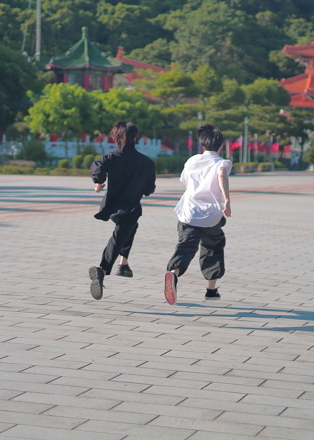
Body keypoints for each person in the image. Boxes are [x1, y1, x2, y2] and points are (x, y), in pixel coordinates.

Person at [164, 124, 232, 305]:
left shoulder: (192, 160)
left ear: (203, 144)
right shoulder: (222, 163)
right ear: (220, 146)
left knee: (186, 246)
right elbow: (222, 174)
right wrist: (227, 201)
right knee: (213, 248)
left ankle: (173, 274)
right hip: (211, 216)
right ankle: (211, 290)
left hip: (189, 212)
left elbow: (184, 181)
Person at [88, 121, 156, 300]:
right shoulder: (146, 163)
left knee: (130, 229)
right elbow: (149, 189)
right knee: (119, 237)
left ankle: (124, 264)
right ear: (135, 137)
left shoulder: (110, 158)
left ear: (116, 137)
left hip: (112, 206)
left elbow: (98, 165)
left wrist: (98, 182)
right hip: (131, 206)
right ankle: (102, 269)